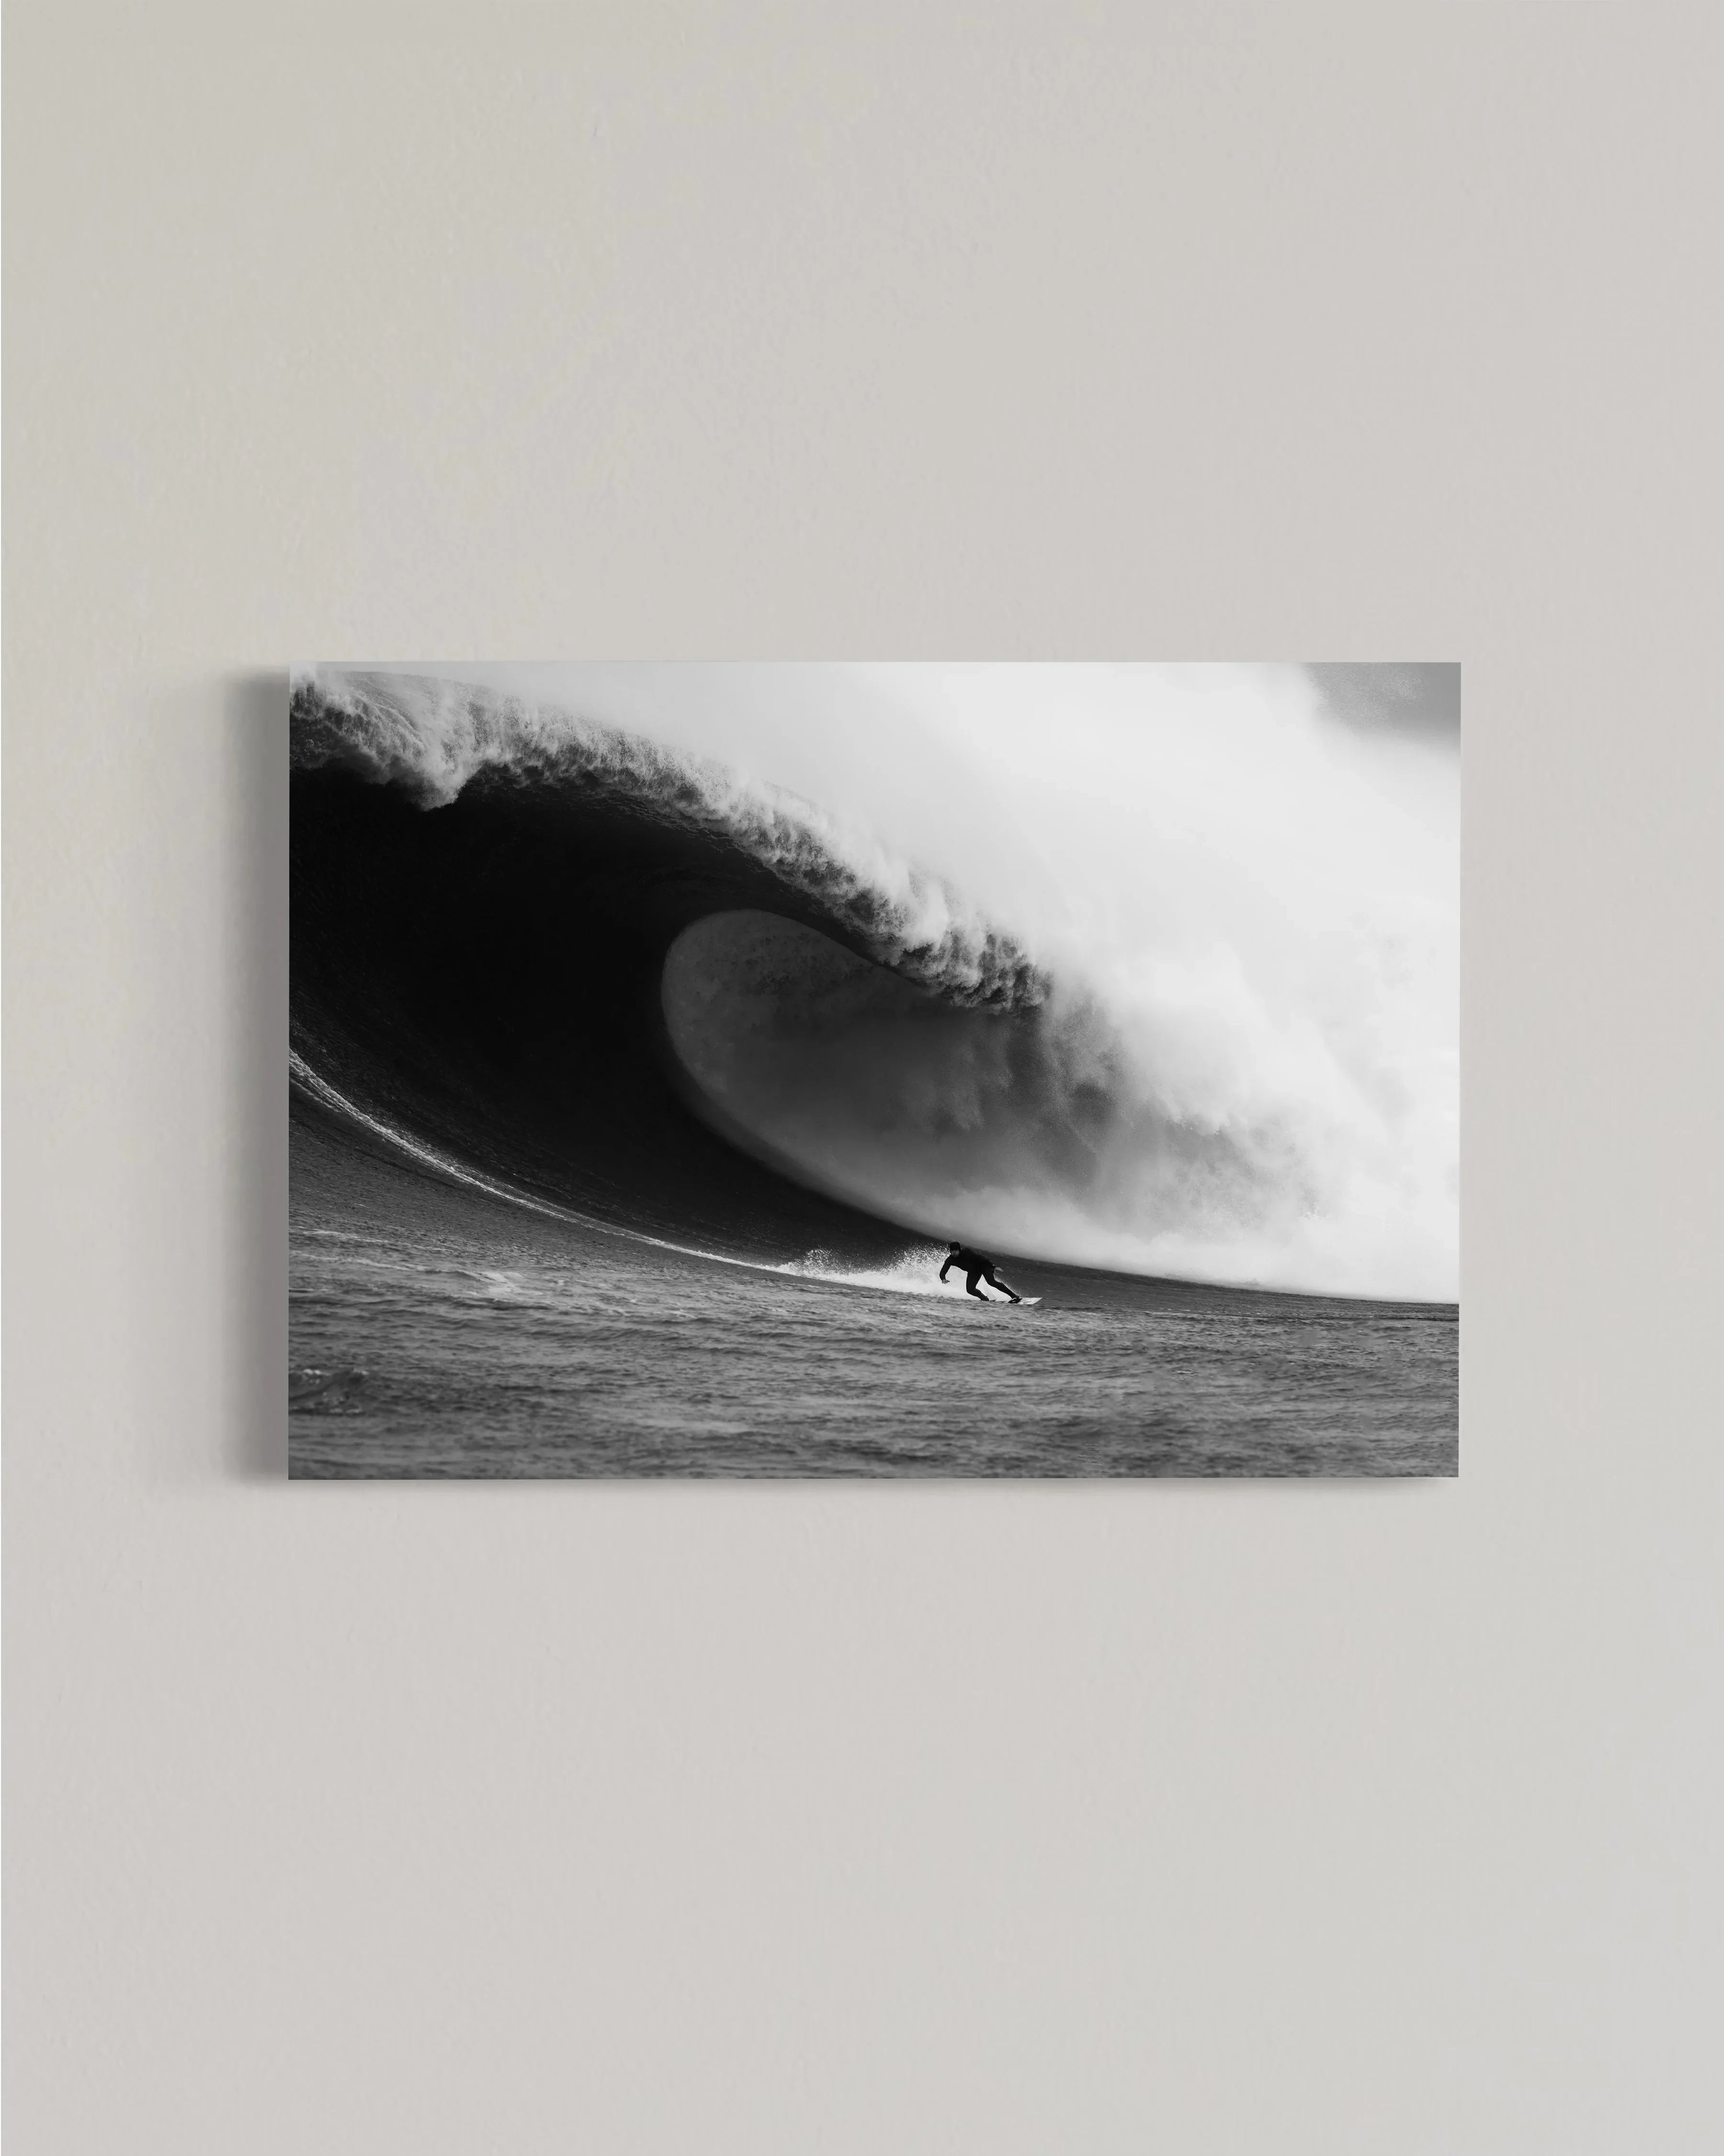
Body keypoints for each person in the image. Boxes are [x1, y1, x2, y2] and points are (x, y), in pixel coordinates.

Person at [940, 1241, 1022, 1303]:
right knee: (970, 1290)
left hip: (983, 1267)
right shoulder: (950, 1260)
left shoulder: (966, 1252)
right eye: (952, 1250)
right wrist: (943, 1278)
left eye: (956, 1250)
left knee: (991, 1282)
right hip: (973, 1272)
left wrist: (993, 1267)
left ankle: (1014, 1296)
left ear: (960, 1250)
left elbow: (981, 1258)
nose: (954, 1252)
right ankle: (985, 1299)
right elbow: (943, 1271)